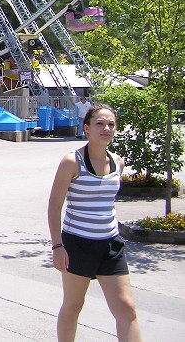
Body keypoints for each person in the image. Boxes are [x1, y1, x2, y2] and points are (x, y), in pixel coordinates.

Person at [48, 104, 141, 342]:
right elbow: (55, 205)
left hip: (110, 244)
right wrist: (57, 246)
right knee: (73, 306)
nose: (106, 128)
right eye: (100, 123)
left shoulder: (117, 162)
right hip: (77, 244)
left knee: (127, 309)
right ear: (87, 128)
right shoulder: (72, 161)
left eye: (111, 124)